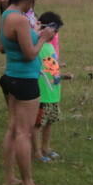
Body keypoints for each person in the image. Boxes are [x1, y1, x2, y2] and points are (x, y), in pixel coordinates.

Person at [0, 0, 55, 185]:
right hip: (25, 80)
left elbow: (3, 47)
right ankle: (28, 184)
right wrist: (44, 37)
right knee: (24, 132)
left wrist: (34, 36)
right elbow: (31, 54)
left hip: (11, 76)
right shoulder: (20, 20)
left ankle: (9, 177)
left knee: (13, 128)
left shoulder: (6, 15)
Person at [32, 11, 63, 162]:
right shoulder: (36, 45)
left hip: (53, 93)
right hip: (42, 94)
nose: (55, 34)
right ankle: (37, 152)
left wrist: (61, 76)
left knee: (49, 122)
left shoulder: (50, 47)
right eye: (54, 30)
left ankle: (46, 147)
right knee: (37, 124)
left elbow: (52, 66)